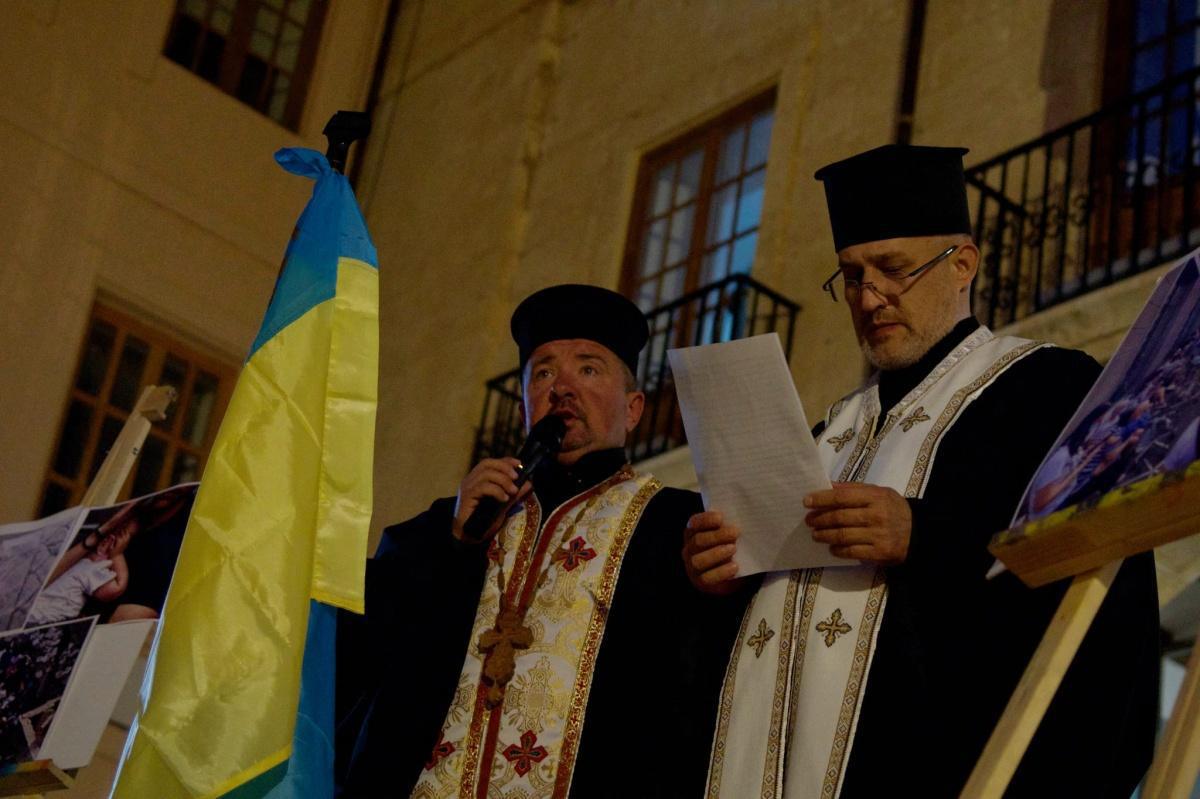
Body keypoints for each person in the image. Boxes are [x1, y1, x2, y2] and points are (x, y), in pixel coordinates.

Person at [684, 145, 1160, 798]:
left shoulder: (1052, 388)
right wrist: (716, 576)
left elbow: (1105, 582)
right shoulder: (826, 436)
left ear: (962, 263)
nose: (869, 296)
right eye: (852, 276)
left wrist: (925, 535)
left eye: (893, 269)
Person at [337, 285, 743, 797]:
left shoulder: (678, 524)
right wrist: (454, 542)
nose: (562, 388)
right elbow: (373, 646)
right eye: (544, 372)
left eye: (589, 368)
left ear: (634, 408)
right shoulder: (463, 519)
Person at [27, 503, 136, 625]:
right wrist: (117, 554)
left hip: (34, 614)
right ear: (105, 544)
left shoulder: (68, 562)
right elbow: (115, 589)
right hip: (50, 620)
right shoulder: (90, 568)